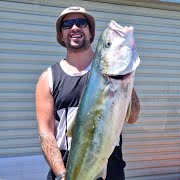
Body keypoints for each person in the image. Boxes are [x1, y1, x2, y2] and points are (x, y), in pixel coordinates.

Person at [35, 6, 140, 180]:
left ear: (90, 33)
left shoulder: (112, 75)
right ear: (61, 35)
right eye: (67, 24)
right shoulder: (48, 78)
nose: (74, 27)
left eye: (81, 22)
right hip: (69, 169)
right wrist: (62, 175)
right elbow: (46, 133)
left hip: (110, 166)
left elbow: (133, 117)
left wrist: (125, 82)